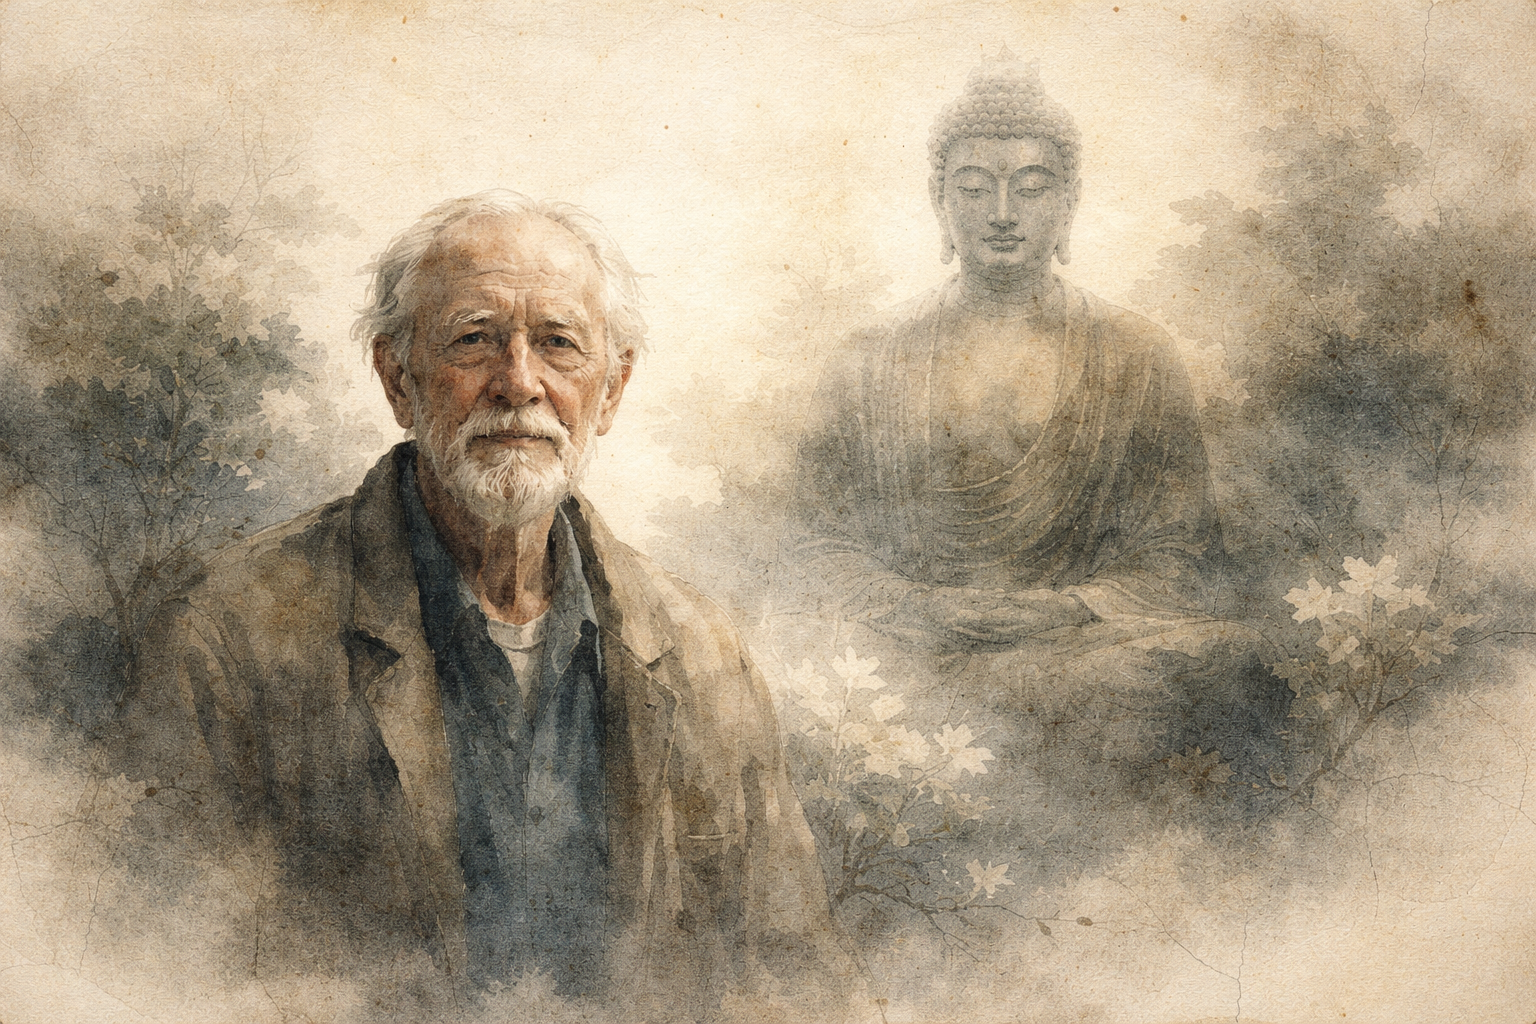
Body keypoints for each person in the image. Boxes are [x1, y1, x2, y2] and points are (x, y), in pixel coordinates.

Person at [114, 191, 854, 1019]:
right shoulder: (231, 635)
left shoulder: (704, 651)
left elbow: (797, 978)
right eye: (475, 340)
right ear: (399, 378)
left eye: (559, 345)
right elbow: (155, 973)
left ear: (611, 390)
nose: (519, 384)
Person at [779, 58, 1223, 667]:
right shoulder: (868, 356)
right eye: (973, 188)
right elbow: (817, 548)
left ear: (1069, 202)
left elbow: (1183, 554)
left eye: (1032, 188)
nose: (1003, 213)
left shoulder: (1136, 352)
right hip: (910, 638)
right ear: (939, 201)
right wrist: (922, 606)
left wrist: (1070, 606)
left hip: (1081, 642)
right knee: (791, 649)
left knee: (1215, 658)